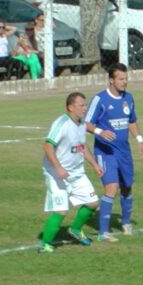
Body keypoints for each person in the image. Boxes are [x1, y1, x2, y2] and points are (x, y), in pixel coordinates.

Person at [85, 63, 143, 241]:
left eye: (126, 78)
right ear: (111, 80)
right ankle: (103, 232)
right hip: (105, 152)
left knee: (127, 187)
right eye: (121, 79)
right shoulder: (100, 99)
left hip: (124, 151)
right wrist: (100, 132)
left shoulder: (128, 98)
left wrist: (139, 140)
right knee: (111, 187)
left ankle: (125, 222)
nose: (124, 82)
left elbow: (131, 121)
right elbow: (87, 123)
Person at [39, 92, 103, 253]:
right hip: (56, 173)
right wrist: (59, 167)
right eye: (81, 105)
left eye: (85, 104)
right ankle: (45, 244)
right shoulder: (61, 124)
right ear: (70, 107)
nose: (85, 107)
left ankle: (75, 230)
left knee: (93, 203)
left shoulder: (81, 123)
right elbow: (47, 146)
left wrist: (94, 164)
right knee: (61, 210)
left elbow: (82, 146)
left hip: (76, 172)